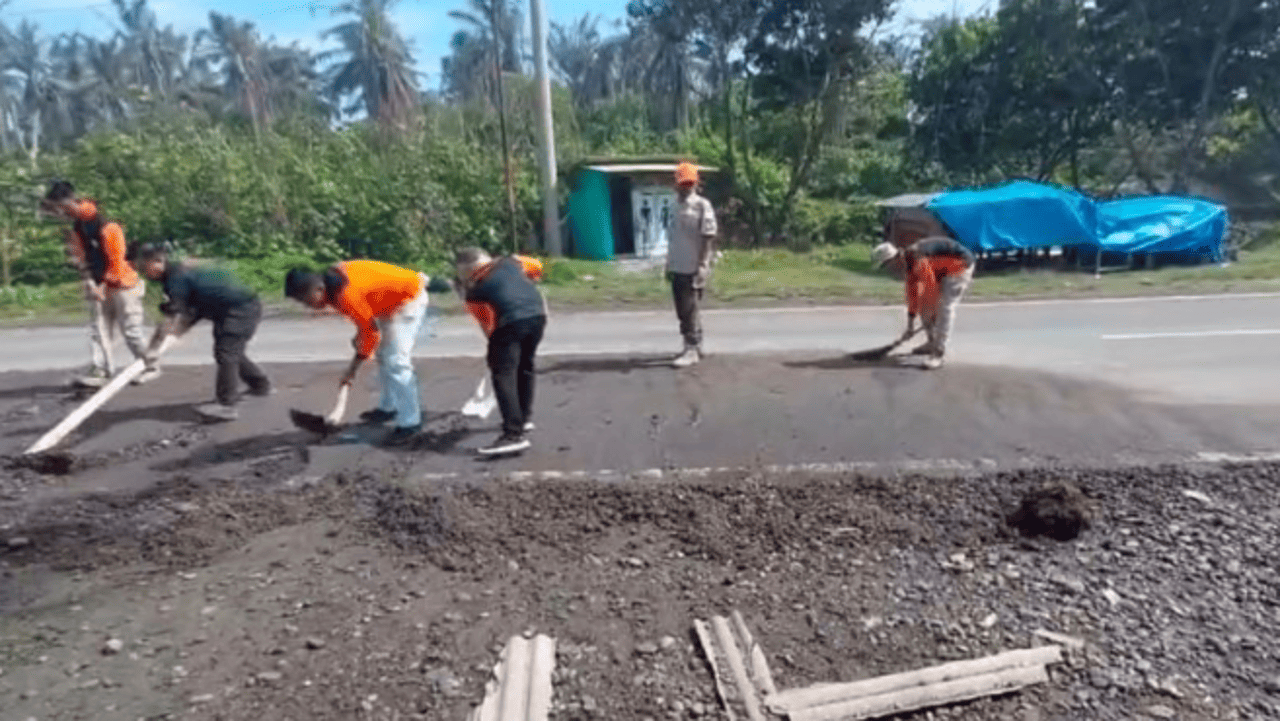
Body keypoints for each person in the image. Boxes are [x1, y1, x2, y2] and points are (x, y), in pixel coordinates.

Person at [284, 260, 431, 446]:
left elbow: (371, 334)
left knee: (395, 361)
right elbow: (365, 321)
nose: (306, 306)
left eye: (305, 300)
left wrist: (352, 369)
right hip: (388, 301)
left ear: (318, 289)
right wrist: (361, 335)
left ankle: (411, 423)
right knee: (384, 356)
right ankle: (388, 408)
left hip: (409, 299)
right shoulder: (333, 283)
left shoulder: (345, 294)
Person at [132, 243, 271, 421]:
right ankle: (260, 384)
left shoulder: (176, 277)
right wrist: (173, 335)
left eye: (145, 268)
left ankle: (226, 406)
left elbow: (173, 317)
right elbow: (190, 311)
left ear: (158, 261)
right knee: (232, 351)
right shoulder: (179, 271)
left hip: (240, 309)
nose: (144, 273)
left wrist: (153, 348)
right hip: (231, 306)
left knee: (226, 353)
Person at [40, 179, 157, 388]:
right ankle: (101, 370)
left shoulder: (106, 225)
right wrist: (88, 281)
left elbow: (116, 262)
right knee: (99, 330)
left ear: (67, 203)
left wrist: (100, 285)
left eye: (57, 209)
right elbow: (79, 257)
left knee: (131, 331)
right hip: (99, 284)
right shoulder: (77, 227)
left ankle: (151, 366)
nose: (57, 214)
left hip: (123, 284)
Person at [454, 247, 547, 456]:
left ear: (466, 270)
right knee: (525, 368)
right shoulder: (512, 262)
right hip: (537, 316)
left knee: (503, 375)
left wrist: (495, 354)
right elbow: (537, 267)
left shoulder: (475, 292)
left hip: (511, 321)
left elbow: (489, 327)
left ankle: (512, 436)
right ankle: (523, 419)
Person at [871, 236, 976, 370]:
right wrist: (910, 325)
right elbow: (913, 295)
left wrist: (932, 315)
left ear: (894, 259)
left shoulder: (918, 258)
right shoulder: (909, 264)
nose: (888, 268)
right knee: (925, 306)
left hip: (960, 266)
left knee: (945, 308)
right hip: (941, 270)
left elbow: (930, 289)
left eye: (886, 264)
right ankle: (931, 342)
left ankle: (938, 354)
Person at [666, 162, 718, 368]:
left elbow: (708, 236)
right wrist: (668, 263)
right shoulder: (674, 207)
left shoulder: (701, 205)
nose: (686, 187)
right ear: (676, 184)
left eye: (690, 183)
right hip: (677, 264)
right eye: (682, 183)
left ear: (696, 184)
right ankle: (692, 344)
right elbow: (673, 238)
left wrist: (703, 264)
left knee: (690, 308)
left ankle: (692, 348)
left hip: (693, 265)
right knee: (682, 308)